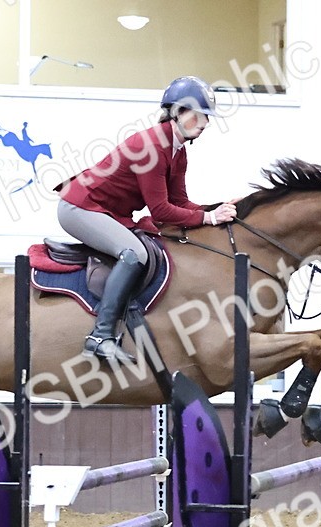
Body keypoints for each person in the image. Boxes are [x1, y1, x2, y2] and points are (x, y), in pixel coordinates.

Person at [57, 75, 239, 365]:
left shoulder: (178, 152)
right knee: (134, 253)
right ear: (178, 112)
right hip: (79, 207)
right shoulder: (153, 147)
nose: (206, 123)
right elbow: (162, 213)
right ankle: (100, 337)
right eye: (200, 115)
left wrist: (216, 210)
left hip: (107, 211)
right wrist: (207, 217)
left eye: (208, 118)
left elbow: (180, 203)